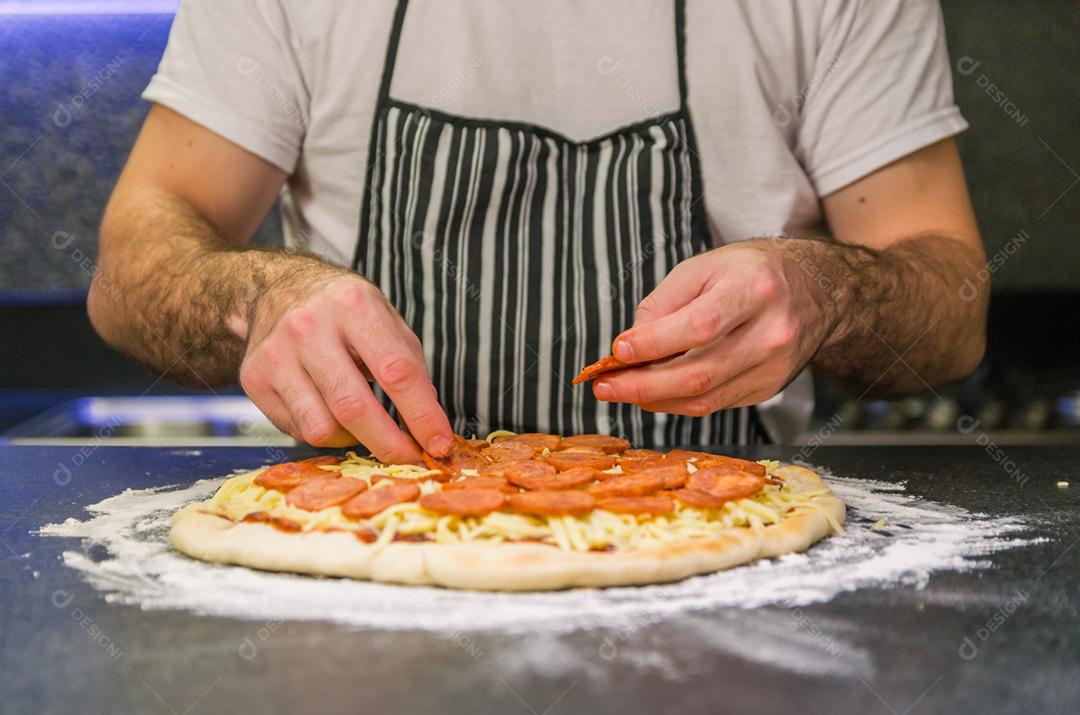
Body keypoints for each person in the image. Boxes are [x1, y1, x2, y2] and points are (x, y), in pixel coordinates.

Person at [89, 0, 987, 463]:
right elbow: (129, 272)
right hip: (369, 546)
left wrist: (824, 291)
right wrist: (261, 296)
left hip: (723, 563)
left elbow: (952, 308)